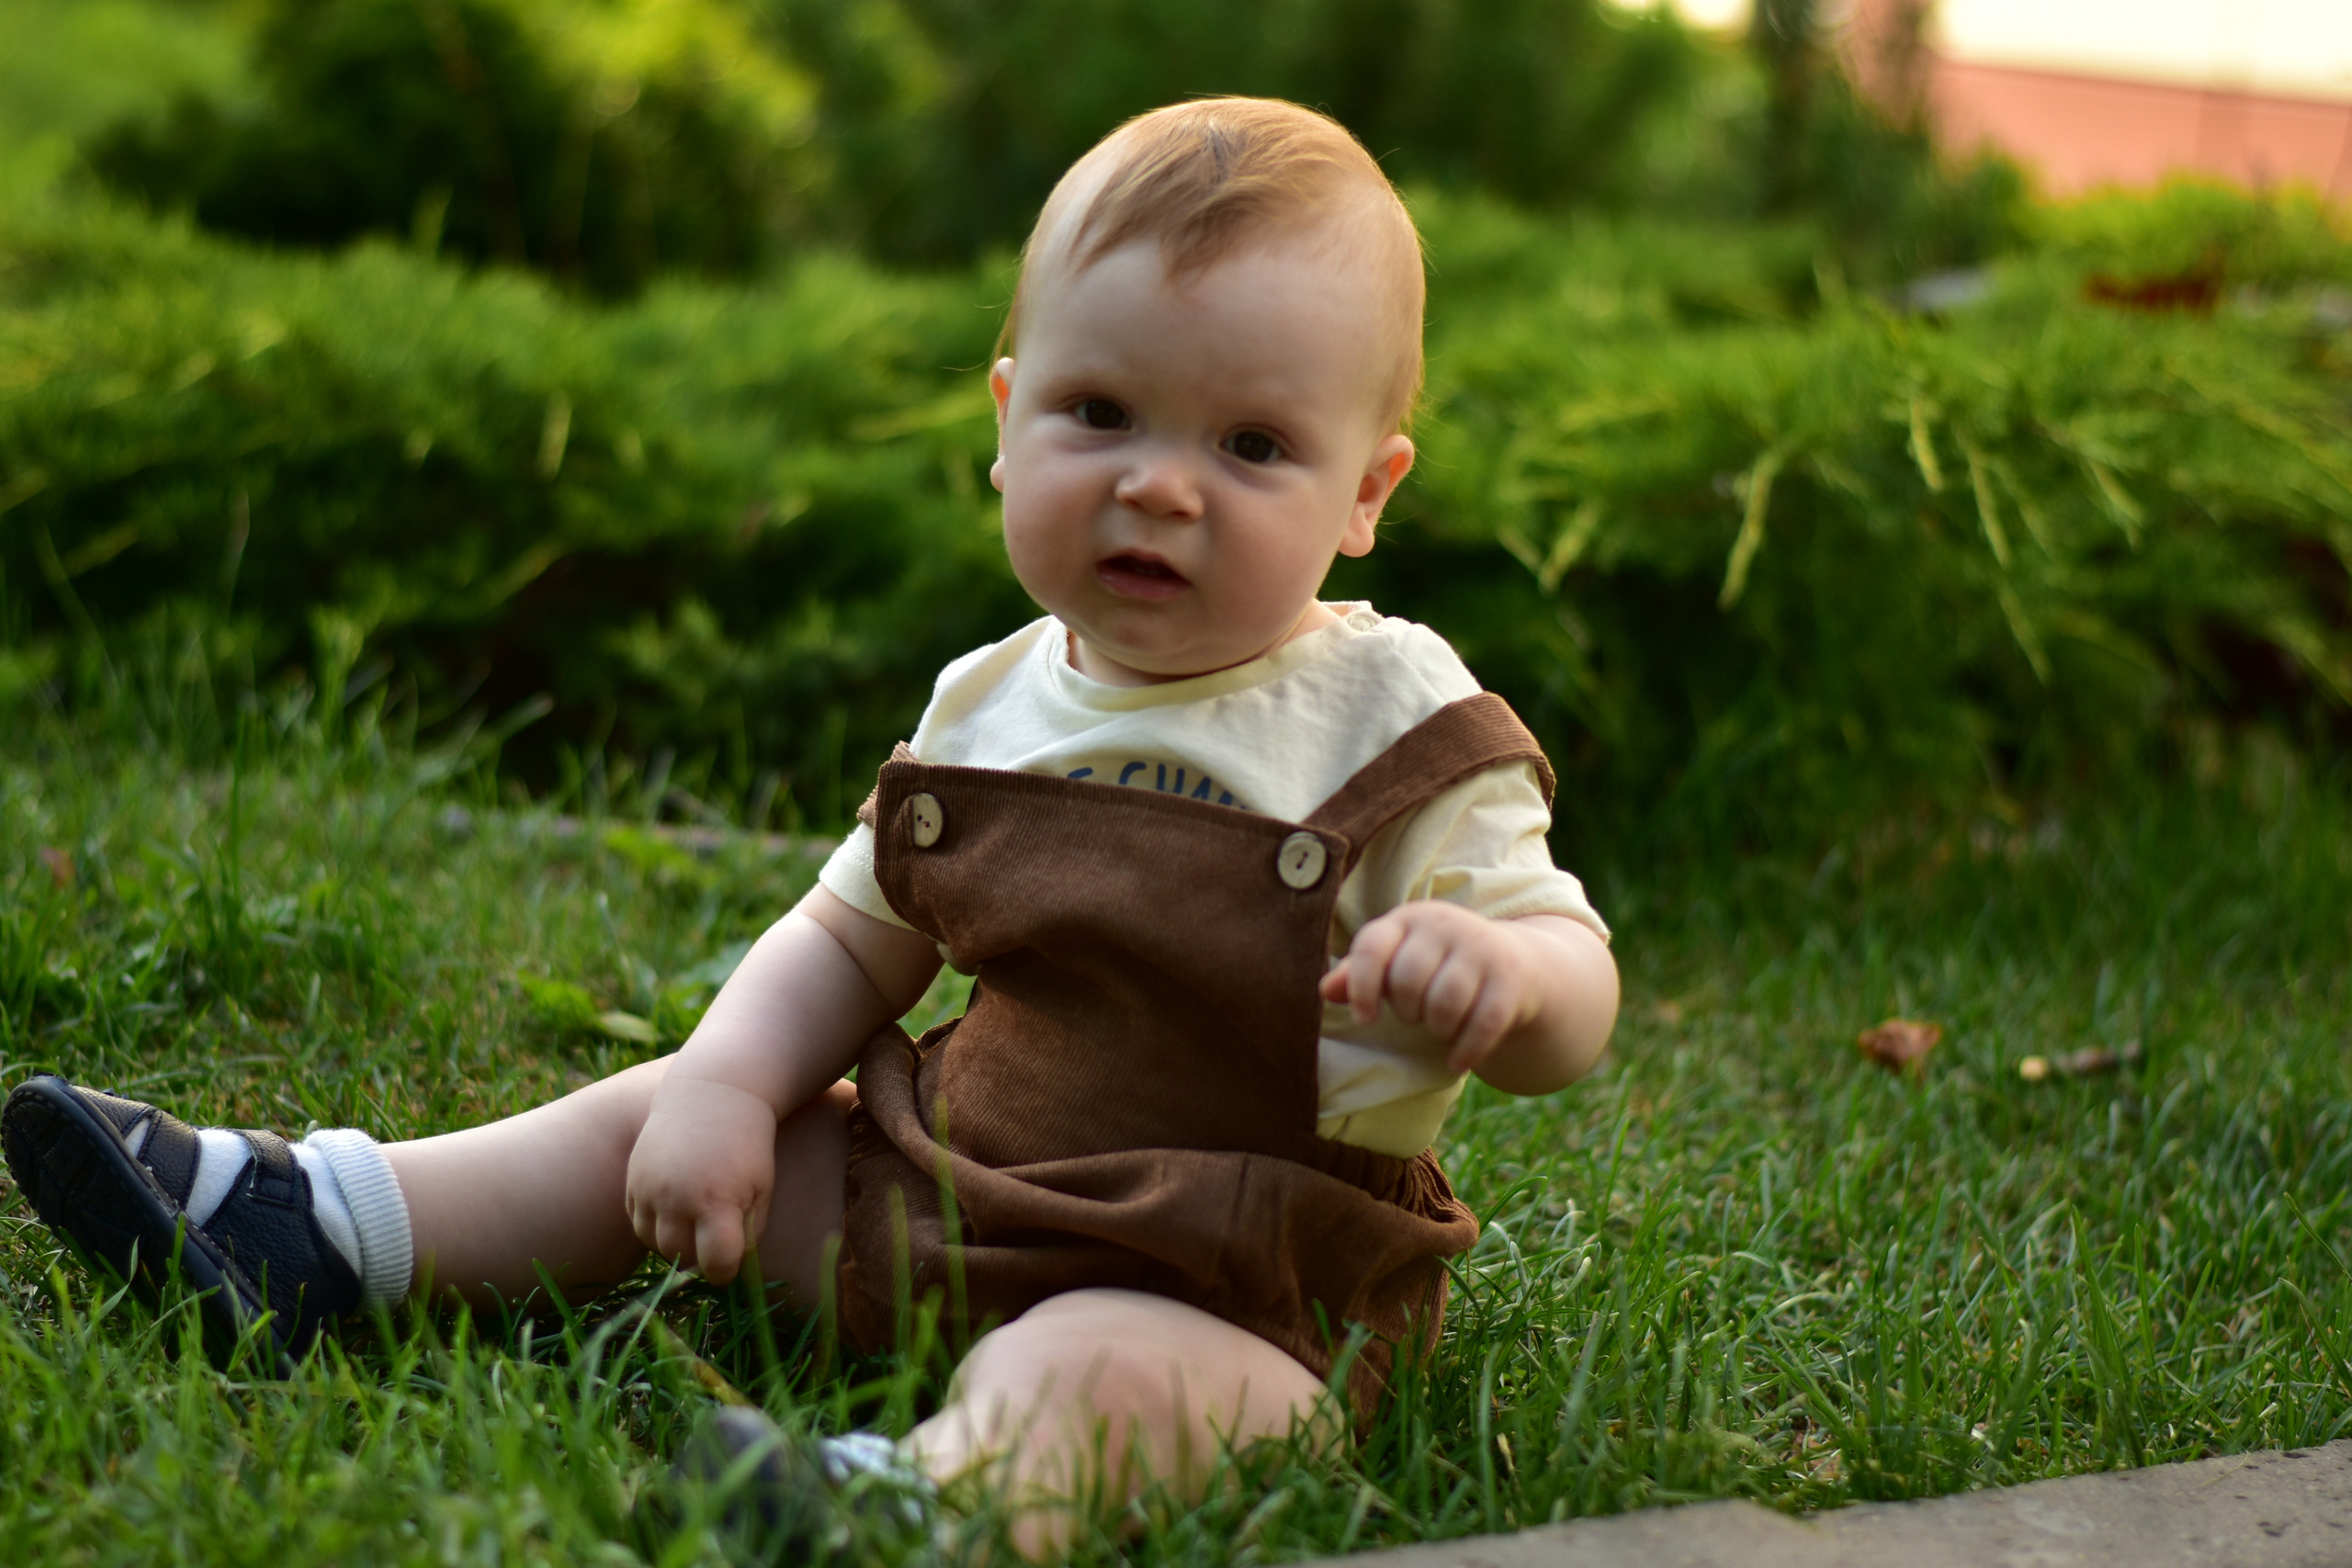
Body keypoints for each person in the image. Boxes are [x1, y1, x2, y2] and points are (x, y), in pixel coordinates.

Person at [3, 96, 1619, 1557]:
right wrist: (721, 1081)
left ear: (1367, 491)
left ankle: (919, 1503)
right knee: (661, 1118)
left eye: (1252, 446)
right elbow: (853, 934)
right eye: (1101, 412)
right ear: (1006, 418)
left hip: (1232, 1290)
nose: (1161, 488)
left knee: (1096, 1376)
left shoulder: (1388, 713)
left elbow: (1570, 986)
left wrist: (1499, 978)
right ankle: (319, 1227)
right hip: (944, 1192)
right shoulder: (992, 700)